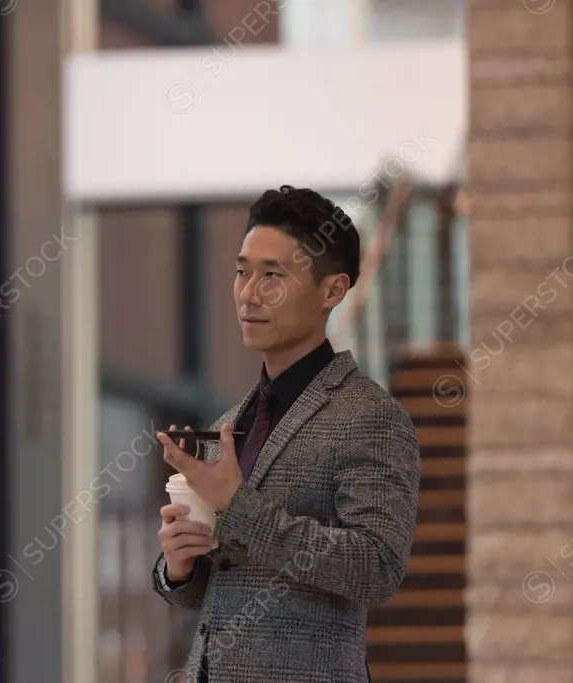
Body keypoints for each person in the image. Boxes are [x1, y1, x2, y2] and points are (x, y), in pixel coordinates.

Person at [152, 185, 420, 683]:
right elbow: (221, 583)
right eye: (241, 272)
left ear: (333, 291)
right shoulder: (230, 423)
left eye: (272, 276)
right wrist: (179, 566)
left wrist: (238, 506)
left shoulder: (370, 416)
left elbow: (377, 567)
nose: (249, 294)